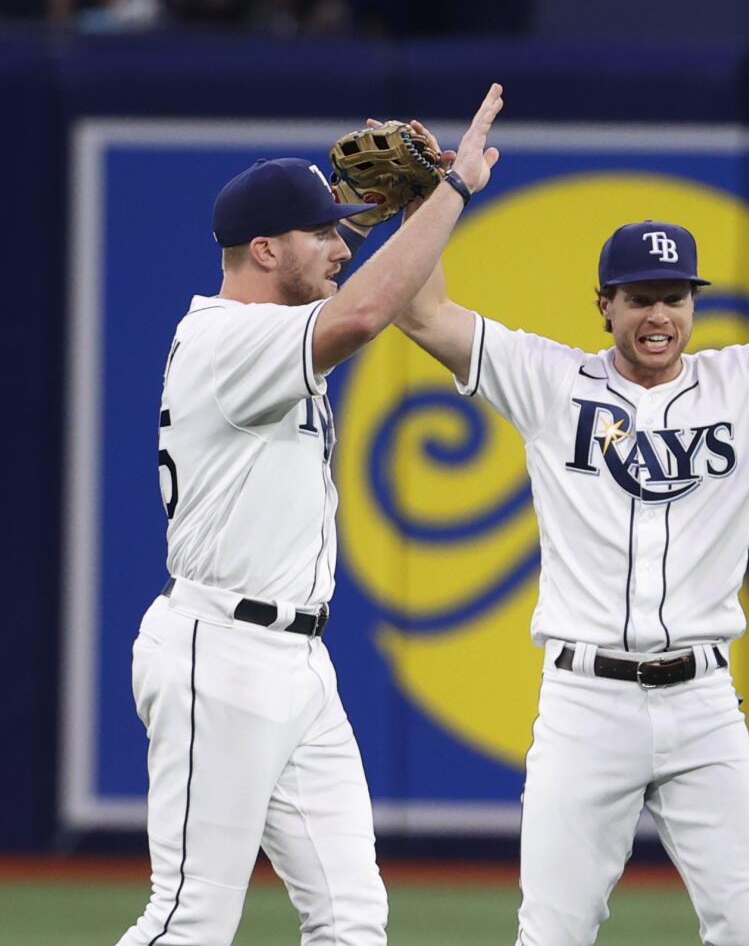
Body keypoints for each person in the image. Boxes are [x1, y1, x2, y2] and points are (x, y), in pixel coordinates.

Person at [392, 188, 749, 939]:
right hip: (585, 702)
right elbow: (423, 314)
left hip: (703, 702)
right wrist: (431, 200)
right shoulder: (549, 380)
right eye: (641, 298)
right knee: (551, 931)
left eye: (676, 297)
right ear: (604, 306)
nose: (660, 316)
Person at [116, 84, 503, 946]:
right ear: (263, 249)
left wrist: (417, 205)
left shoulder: (264, 336)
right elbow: (366, 311)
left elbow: (396, 301)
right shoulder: (230, 340)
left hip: (295, 662)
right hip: (220, 653)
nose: (340, 245)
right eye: (323, 232)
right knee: (189, 917)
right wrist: (454, 192)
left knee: (352, 917)